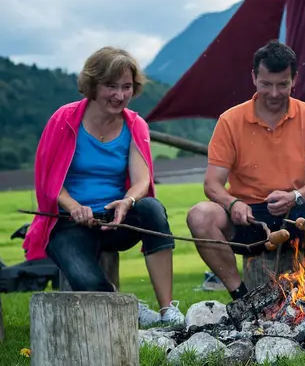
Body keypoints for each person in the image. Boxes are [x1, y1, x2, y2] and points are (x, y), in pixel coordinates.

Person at [22, 46, 185, 327]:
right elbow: (49, 182)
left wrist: (127, 202)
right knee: (85, 279)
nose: (120, 95)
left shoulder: (136, 125)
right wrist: (74, 208)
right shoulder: (64, 119)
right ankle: (128, 308)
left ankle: (167, 310)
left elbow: (141, 181)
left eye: (127, 87)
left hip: (116, 220)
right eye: (111, 86)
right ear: (93, 85)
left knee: (152, 208)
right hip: (69, 222)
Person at [187, 39, 305, 300]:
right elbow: (212, 184)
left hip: (299, 209)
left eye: (283, 85)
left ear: (294, 80)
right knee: (199, 215)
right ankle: (242, 297)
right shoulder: (230, 121)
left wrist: (296, 196)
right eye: (266, 84)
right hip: (248, 217)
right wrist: (232, 205)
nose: (275, 93)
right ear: (254, 78)